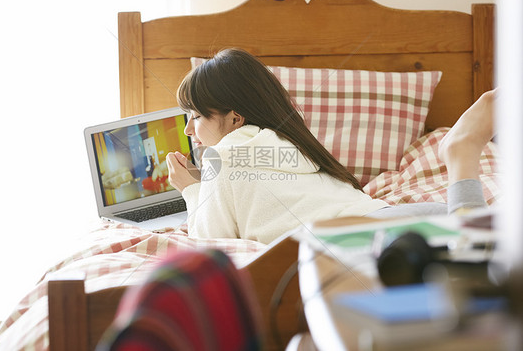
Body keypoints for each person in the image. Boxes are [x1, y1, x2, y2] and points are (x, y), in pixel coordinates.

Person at [165, 48, 494, 244]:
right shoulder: (287, 140)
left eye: (196, 116)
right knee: (490, 248)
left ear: (235, 118)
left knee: (482, 253)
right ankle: (462, 158)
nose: (190, 129)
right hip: (392, 219)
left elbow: (210, 245)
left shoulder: (221, 156)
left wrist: (191, 190)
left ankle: (461, 150)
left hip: (360, 242)